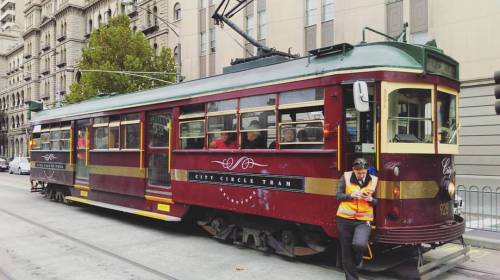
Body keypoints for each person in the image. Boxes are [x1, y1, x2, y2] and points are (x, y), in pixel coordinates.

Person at [336, 158, 378, 280]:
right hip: (344, 219)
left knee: (359, 244)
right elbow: (338, 196)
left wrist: (370, 199)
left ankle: (358, 260)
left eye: (363, 173)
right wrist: (351, 196)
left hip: (364, 220)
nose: (361, 175)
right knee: (346, 252)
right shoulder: (345, 177)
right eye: (359, 173)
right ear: (354, 170)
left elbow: (377, 201)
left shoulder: (373, 180)